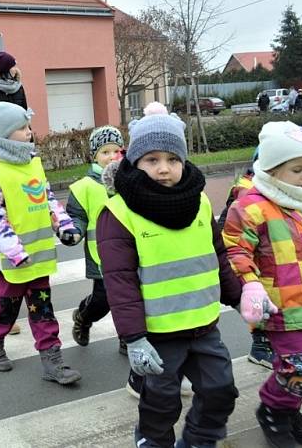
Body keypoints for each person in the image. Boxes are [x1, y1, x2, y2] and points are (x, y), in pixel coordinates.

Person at [98, 102, 241, 447]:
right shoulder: (119, 212)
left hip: (203, 325)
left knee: (220, 391)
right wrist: (133, 338)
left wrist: (241, 296)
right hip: (158, 334)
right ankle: (152, 440)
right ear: (134, 161)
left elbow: (217, 254)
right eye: (152, 160)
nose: (164, 169)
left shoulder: (200, 201)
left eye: (173, 159)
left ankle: (198, 439)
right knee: (161, 402)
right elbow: (120, 281)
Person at [223, 121, 302, 448]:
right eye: (297, 169)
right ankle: (272, 411)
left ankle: (287, 411)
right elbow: (235, 248)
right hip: (281, 305)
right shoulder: (252, 206)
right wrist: (250, 284)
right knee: (300, 366)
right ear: (271, 169)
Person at [0, 102, 82, 385]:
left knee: (43, 308)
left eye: (28, 126)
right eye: (22, 128)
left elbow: (46, 199)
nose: (29, 132)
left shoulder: (33, 163)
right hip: (10, 261)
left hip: (38, 259)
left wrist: (65, 225)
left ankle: (52, 360)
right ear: (3, 135)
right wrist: (14, 251)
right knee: (5, 309)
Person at [68, 126, 125, 352]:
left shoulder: (131, 180)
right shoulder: (85, 187)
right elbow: (77, 217)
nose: (111, 157)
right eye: (105, 152)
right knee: (104, 300)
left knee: (129, 299)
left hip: (132, 251)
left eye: (116, 151)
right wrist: (72, 231)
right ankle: (84, 315)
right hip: (100, 254)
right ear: (94, 156)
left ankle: (128, 338)